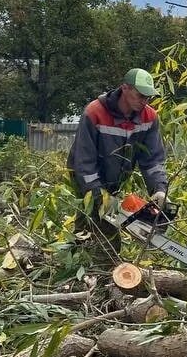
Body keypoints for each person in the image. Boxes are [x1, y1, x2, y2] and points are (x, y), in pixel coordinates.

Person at [67, 69, 170, 239]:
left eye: (148, 97)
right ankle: (87, 257)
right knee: (92, 227)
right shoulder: (95, 112)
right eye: (140, 95)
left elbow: (152, 160)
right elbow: (84, 162)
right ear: (125, 88)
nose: (144, 101)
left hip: (116, 181)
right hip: (87, 178)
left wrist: (159, 189)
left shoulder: (149, 117)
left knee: (110, 231)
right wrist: (98, 195)